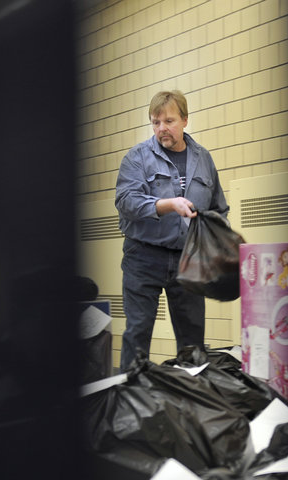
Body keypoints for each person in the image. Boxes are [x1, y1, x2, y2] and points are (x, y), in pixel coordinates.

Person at [114, 90, 229, 371]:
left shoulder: (203, 159)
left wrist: (218, 243)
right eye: (155, 122)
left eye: (168, 121)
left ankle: (192, 398)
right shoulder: (137, 157)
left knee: (192, 338)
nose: (161, 128)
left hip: (188, 260)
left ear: (185, 120)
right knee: (138, 333)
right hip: (143, 256)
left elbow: (218, 208)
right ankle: (130, 399)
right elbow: (125, 201)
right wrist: (168, 204)